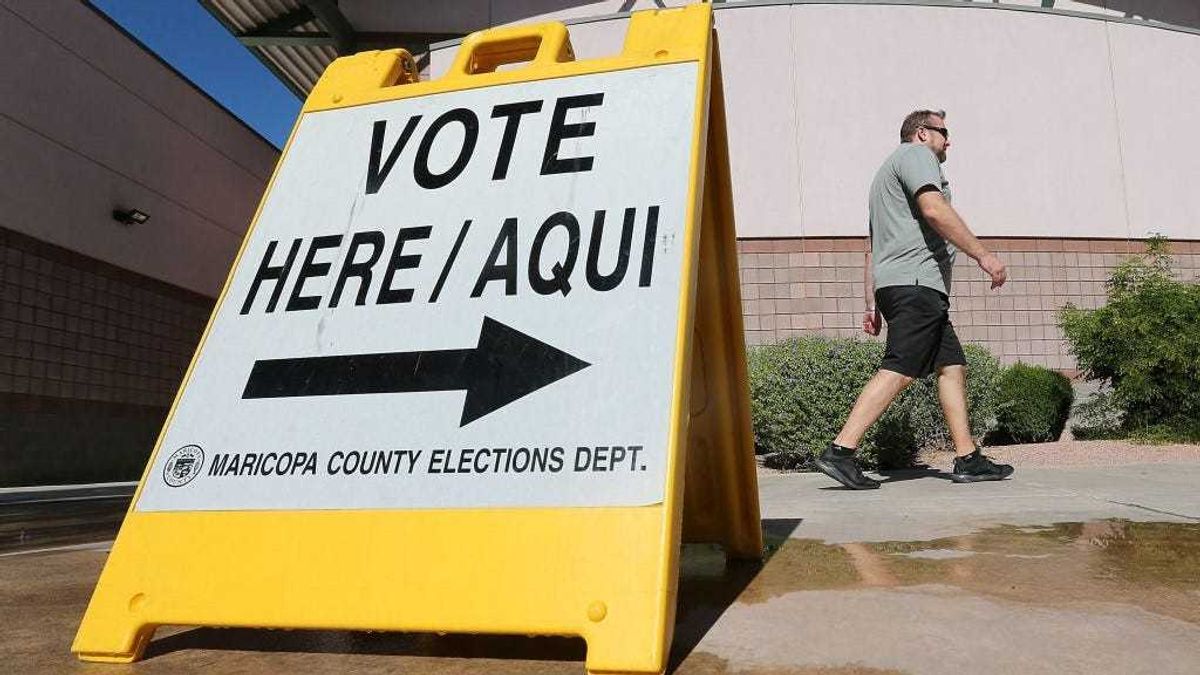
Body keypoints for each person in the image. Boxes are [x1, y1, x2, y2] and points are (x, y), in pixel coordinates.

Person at [814, 109, 1014, 489]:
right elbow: (934, 209)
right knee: (901, 367)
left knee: (951, 365)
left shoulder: (884, 177)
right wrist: (983, 255)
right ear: (922, 133)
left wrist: (872, 303)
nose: (948, 141)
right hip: (917, 285)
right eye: (944, 132)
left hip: (904, 286)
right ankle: (840, 451)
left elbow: (872, 248)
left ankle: (967, 458)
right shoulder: (915, 156)